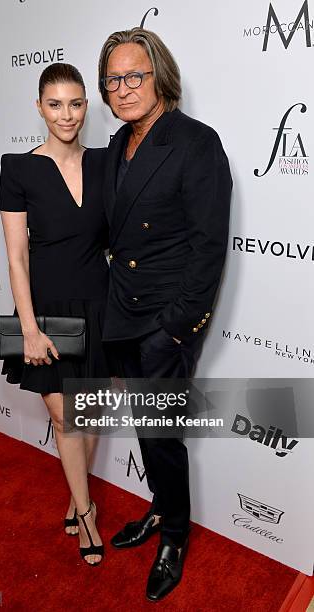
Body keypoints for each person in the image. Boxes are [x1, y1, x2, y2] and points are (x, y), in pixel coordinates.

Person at [98, 28, 232, 600]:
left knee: (162, 437)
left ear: (160, 77)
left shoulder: (196, 142)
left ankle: (174, 534)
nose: (123, 89)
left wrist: (176, 328)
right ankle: (160, 510)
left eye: (135, 76)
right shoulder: (114, 146)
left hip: (162, 324)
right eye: (112, 80)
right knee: (147, 432)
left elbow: (208, 247)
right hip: (119, 315)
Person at [0, 62, 109, 566]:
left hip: (101, 302)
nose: (67, 115)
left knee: (90, 413)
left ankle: (75, 493)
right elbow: (17, 257)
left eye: (76, 103)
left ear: (88, 104)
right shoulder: (18, 168)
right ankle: (86, 512)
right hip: (48, 312)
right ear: (39, 106)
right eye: (55, 104)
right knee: (65, 414)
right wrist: (28, 328)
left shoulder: (107, 163)